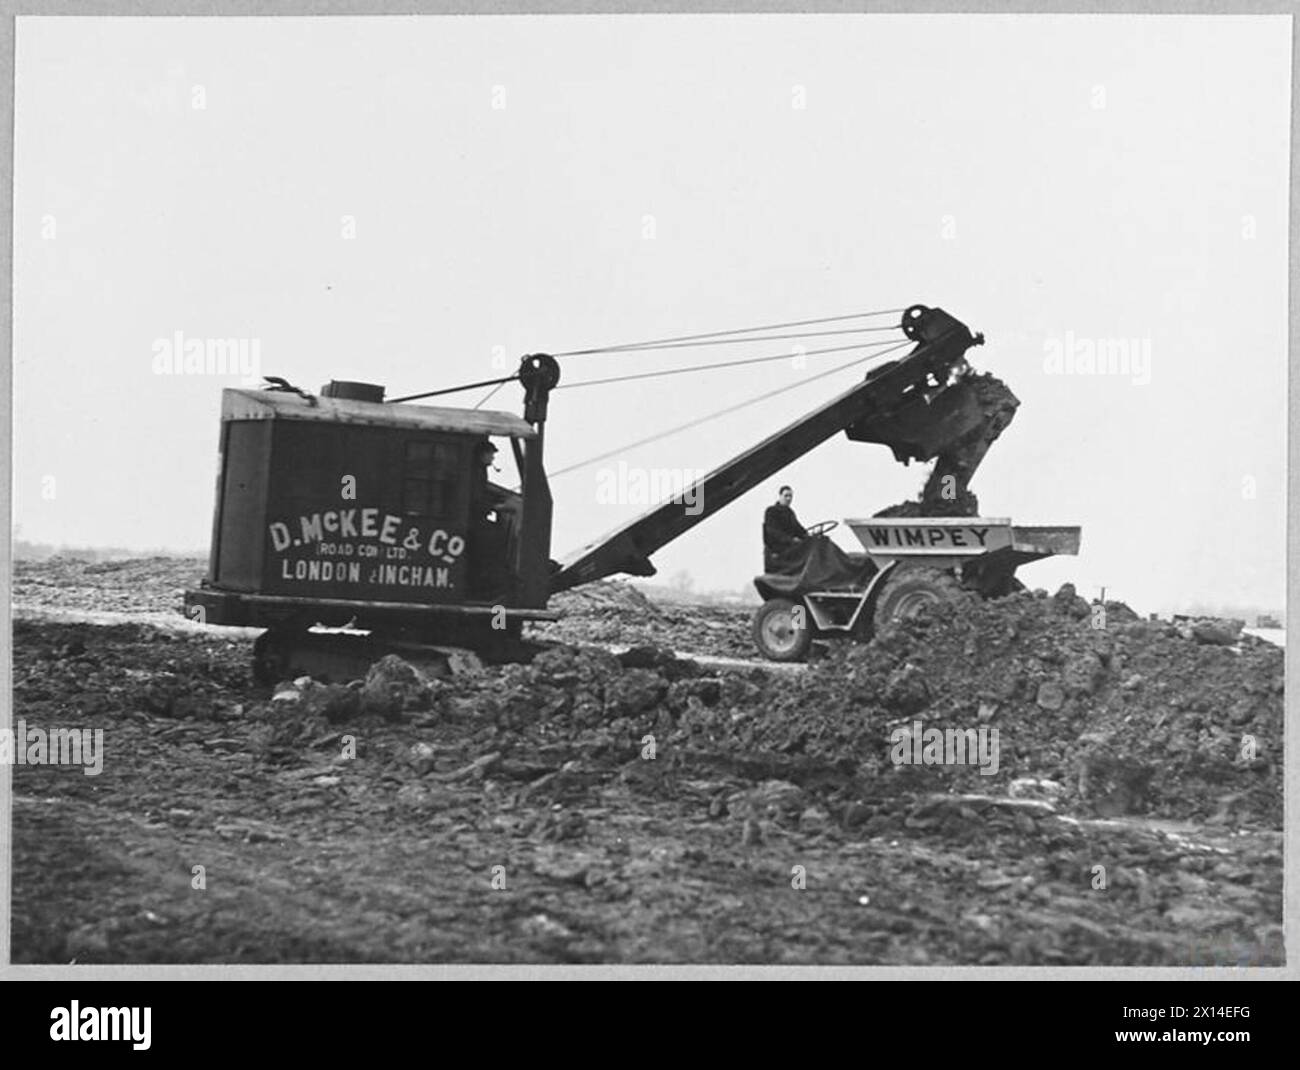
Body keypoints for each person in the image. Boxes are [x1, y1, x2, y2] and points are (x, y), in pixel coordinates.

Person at [763, 485, 808, 571]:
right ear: (780, 496)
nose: (788, 498)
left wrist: (808, 535)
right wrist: (791, 540)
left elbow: (798, 529)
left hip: (790, 547)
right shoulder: (771, 511)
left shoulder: (790, 513)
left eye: (790, 496)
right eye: (786, 495)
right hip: (777, 550)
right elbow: (773, 532)